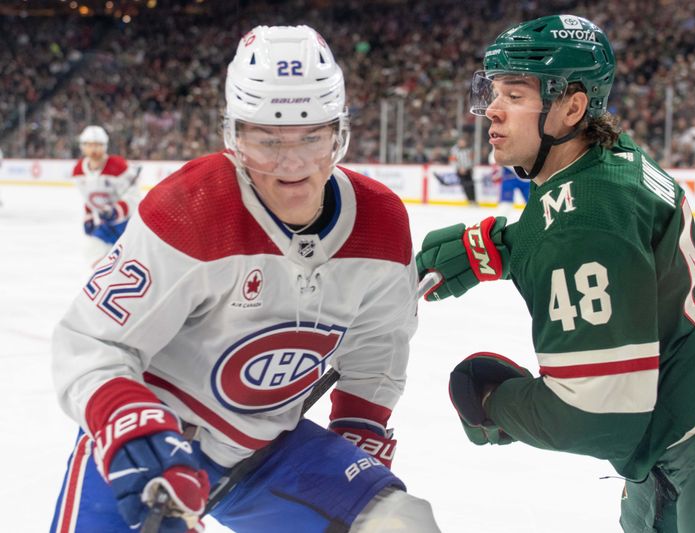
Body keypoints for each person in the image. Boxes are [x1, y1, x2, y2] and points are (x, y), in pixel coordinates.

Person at [416, 14, 695, 533]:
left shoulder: (583, 218)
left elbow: (598, 416)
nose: (493, 111)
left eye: (515, 93)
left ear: (572, 106)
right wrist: (499, 247)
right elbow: (595, 221)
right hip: (693, 424)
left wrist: (493, 405)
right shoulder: (609, 158)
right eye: (492, 91)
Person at [51, 25, 439, 533]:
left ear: (337, 135)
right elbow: (92, 341)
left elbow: (376, 347)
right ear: (235, 137)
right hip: (157, 439)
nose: (292, 164)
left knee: (399, 523)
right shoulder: (188, 209)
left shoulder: (381, 222)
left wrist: (358, 429)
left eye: (311, 136)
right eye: (267, 139)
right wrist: (130, 424)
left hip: (268, 451)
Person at [72, 125, 140, 262]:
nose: (94, 149)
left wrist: (116, 211)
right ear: (83, 147)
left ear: (105, 146)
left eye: (98, 145)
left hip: (129, 224)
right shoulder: (79, 171)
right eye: (89, 145)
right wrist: (89, 216)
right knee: (93, 253)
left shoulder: (118, 166)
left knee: (132, 260)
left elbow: (133, 197)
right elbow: (89, 198)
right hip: (107, 225)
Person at [449, 135, 476, 205]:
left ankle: (473, 200)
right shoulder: (454, 150)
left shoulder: (469, 149)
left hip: (468, 170)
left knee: (471, 185)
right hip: (460, 170)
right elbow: (453, 161)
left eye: (463, 142)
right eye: (461, 142)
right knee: (465, 185)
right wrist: (460, 168)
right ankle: (470, 200)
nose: (462, 143)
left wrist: (468, 168)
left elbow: (472, 160)